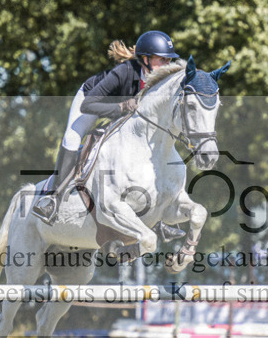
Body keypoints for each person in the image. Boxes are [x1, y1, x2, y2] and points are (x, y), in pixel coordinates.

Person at [31, 30, 181, 225]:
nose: (166, 65)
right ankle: (52, 198)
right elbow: (88, 105)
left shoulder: (160, 81)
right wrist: (121, 106)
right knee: (72, 138)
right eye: (162, 59)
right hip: (92, 100)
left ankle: (158, 217)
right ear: (145, 58)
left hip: (122, 113)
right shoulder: (124, 71)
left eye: (168, 60)